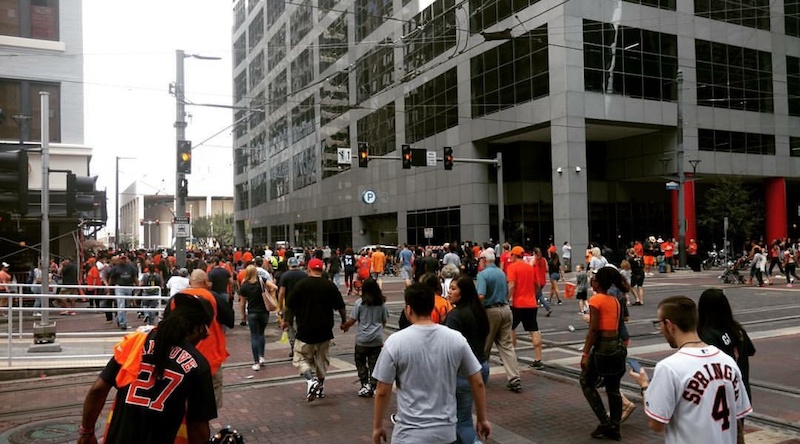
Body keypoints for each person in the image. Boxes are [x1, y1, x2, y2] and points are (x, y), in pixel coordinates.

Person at [78, 293, 217, 444]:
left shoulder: (136, 342)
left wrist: (87, 433)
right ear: (200, 330)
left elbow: (97, 390)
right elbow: (198, 429)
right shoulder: (198, 364)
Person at [371, 283, 491, 444]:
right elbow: (477, 382)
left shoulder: (395, 342)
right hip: (445, 434)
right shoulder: (455, 338)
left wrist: (378, 427)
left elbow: (382, 391)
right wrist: (482, 418)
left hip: (408, 434)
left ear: (408, 309)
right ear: (432, 307)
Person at [629, 295, 753, 443]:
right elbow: (737, 419)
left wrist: (645, 387)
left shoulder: (669, 368)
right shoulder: (728, 362)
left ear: (669, 325)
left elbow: (656, 424)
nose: (660, 329)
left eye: (659, 324)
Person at [164, 270, 233, 409]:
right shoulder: (213, 297)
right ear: (206, 283)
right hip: (210, 357)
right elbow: (230, 320)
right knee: (209, 401)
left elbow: (165, 324)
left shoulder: (176, 299)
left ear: (190, 283)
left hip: (181, 358)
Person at [281, 258, 347, 402]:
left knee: (300, 358)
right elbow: (341, 306)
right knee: (321, 361)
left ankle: (311, 381)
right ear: (322, 269)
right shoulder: (329, 285)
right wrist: (344, 322)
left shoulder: (301, 285)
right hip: (325, 330)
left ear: (309, 270)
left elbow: (289, 307)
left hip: (305, 330)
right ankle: (320, 389)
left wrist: (287, 321)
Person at [698, 288, 756, 444]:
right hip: (741, 390)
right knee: (736, 435)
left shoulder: (706, 334)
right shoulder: (736, 329)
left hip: (719, 396)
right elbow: (751, 350)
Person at [579, 266, 629, 441]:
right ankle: (615, 426)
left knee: (586, 382)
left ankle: (605, 421)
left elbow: (593, 331)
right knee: (613, 389)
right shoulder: (614, 299)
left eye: (593, 278)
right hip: (617, 347)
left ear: (598, 282)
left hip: (602, 349)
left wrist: (585, 354)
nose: (591, 280)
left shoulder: (596, 300)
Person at [446, 276, 491, 444]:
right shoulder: (479, 311)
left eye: (454, 289)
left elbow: (449, 348)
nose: (449, 292)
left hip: (463, 372)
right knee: (465, 414)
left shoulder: (455, 316)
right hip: (482, 365)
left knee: (462, 420)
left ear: (463, 292)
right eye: (449, 288)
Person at [476, 248, 521, 392]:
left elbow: (481, 295)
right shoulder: (501, 273)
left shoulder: (483, 275)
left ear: (484, 260)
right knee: (506, 345)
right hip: (505, 309)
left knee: (485, 346)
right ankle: (514, 378)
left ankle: (480, 377)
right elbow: (508, 289)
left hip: (491, 311)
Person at [341, 277, 388, 397]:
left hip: (362, 339)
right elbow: (384, 320)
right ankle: (373, 384)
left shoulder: (360, 303)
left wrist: (345, 326)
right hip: (376, 339)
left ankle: (364, 384)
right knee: (375, 364)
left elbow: (353, 319)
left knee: (360, 362)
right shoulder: (381, 303)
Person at [506, 246, 545, 369]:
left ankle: (511, 356)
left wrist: (506, 299)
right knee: (534, 330)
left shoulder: (512, 268)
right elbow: (537, 285)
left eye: (511, 256)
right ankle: (538, 359)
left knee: (511, 328)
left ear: (514, 255)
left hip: (518, 304)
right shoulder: (530, 268)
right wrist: (532, 294)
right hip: (531, 304)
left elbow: (511, 285)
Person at [239, 265, 273, 371]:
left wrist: (243, 316)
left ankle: (256, 362)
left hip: (252, 313)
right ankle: (262, 356)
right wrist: (270, 294)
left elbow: (242, 303)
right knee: (261, 334)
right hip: (264, 312)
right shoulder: (261, 280)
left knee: (254, 336)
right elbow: (274, 287)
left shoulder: (244, 285)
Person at [277, 257, 307, 356]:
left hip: (289, 306)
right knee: (301, 326)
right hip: (303, 305)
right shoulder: (304, 275)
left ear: (289, 265)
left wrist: (280, 306)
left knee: (290, 327)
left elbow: (281, 293)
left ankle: (294, 348)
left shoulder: (285, 276)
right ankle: (303, 347)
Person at [108, 255, 139, 330]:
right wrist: (109, 289)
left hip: (129, 287)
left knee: (126, 305)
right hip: (119, 287)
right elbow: (111, 278)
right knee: (121, 305)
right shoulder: (115, 268)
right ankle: (123, 323)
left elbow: (135, 277)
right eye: (122, 259)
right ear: (119, 260)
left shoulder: (131, 268)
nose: (123, 260)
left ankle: (119, 318)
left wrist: (138, 287)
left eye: (124, 259)